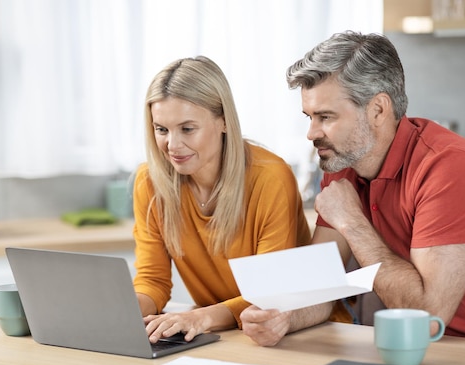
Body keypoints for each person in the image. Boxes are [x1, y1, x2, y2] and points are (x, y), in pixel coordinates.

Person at [278, 31, 465, 347]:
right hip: (448, 345)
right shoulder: (341, 163)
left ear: (378, 110)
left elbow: (425, 317)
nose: (311, 133)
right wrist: (283, 317)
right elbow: (320, 288)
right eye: (309, 117)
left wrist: (352, 223)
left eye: (325, 117)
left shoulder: (449, 168)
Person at [132, 55, 328, 347]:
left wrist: (199, 318)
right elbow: (153, 281)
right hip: (222, 336)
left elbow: (268, 295)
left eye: (187, 129)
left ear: (223, 120)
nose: (172, 146)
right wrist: (120, 312)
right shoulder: (150, 181)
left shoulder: (270, 178)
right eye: (161, 129)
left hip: (293, 335)